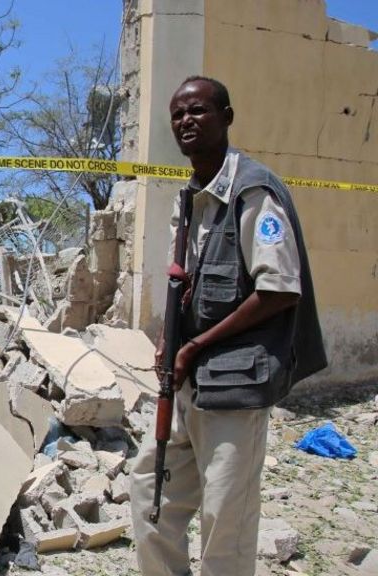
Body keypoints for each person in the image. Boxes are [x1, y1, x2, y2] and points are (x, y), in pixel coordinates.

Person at [130, 76, 326, 576]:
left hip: (236, 385)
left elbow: (280, 290)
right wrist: (170, 339)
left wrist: (195, 344)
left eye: (197, 110)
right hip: (186, 383)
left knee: (225, 524)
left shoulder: (253, 191)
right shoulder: (190, 197)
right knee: (151, 496)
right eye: (177, 114)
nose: (186, 121)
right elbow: (185, 284)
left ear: (227, 118)